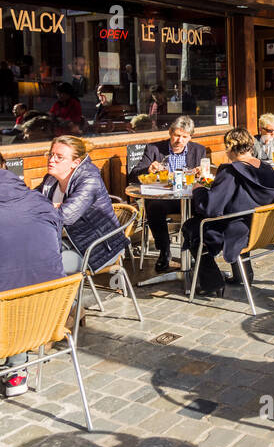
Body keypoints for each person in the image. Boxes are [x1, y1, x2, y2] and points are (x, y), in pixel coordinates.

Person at [183, 128, 274, 294]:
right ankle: (243, 275)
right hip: (263, 231)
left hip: (239, 234)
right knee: (237, 217)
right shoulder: (267, 169)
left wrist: (199, 189)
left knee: (192, 227)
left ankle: (213, 284)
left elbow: (211, 208)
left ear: (229, 147)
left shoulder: (230, 171)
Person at [0, 151, 65, 397]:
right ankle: (17, 370)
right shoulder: (39, 202)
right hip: (46, 317)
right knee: (21, 274)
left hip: (9, 322)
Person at [37, 135, 126, 274]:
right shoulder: (50, 179)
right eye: (51, 154)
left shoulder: (90, 179)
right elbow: (31, 202)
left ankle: (62, 296)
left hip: (98, 248)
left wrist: (48, 209)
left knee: (43, 267)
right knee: (27, 256)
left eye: (59, 157)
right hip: (67, 241)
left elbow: (65, 216)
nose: (51, 160)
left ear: (75, 162)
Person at [129, 117, 207, 271]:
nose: (180, 140)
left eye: (184, 137)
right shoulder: (154, 149)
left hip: (188, 197)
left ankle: (198, 252)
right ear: (170, 133)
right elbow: (133, 175)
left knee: (205, 206)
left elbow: (205, 178)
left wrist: (201, 173)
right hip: (164, 196)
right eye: (177, 135)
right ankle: (164, 251)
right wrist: (148, 169)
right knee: (153, 207)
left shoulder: (198, 150)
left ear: (190, 137)